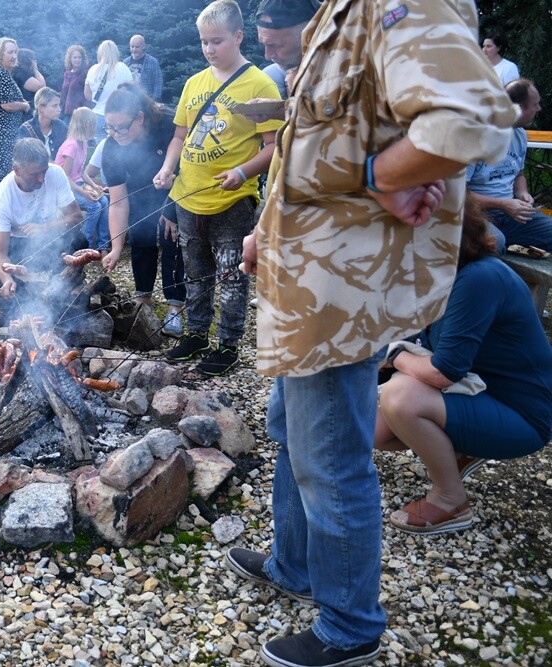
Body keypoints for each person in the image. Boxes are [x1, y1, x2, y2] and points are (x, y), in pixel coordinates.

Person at [229, 1, 517, 666]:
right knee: (288, 427)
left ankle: (349, 624)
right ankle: (295, 563)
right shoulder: (342, 7)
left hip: (339, 291)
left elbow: (464, 121)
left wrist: (377, 177)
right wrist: (262, 235)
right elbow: (318, 140)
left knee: (330, 456)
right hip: (303, 280)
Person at [375, 204, 552, 535]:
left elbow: (444, 372)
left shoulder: (478, 279)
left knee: (401, 399)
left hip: (524, 415)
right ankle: (462, 448)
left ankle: (449, 499)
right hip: (482, 393)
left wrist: (394, 355)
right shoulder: (441, 274)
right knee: (375, 430)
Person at [155, 0, 282, 376]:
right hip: (188, 196)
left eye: (217, 41)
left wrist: (242, 173)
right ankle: (196, 334)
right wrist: (166, 169)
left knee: (230, 273)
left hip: (231, 200)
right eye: (204, 42)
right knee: (195, 270)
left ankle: (227, 344)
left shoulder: (260, 83)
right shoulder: (195, 83)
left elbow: (273, 147)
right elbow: (180, 135)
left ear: (238, 36)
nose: (209, 49)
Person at [100, 83, 186, 337]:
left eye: (122, 127)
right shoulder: (111, 147)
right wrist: (116, 247)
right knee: (141, 236)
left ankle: (175, 306)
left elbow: (190, 167)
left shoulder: (167, 124)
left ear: (140, 118)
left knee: (171, 237)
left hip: (180, 184)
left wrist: (171, 209)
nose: (116, 133)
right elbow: (117, 202)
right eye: (110, 127)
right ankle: (144, 298)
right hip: (141, 191)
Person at [0, 138, 85, 301]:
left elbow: (76, 218)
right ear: (17, 170)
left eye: (44, 171)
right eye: (35, 174)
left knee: (79, 240)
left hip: (51, 239)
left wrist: (45, 228)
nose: (42, 179)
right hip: (20, 246)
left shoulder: (55, 173)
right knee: (13, 293)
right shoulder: (3, 197)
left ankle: (63, 284)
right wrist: (7, 279)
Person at [466, 78, 551, 253]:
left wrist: (522, 192)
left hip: (511, 215)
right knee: (495, 243)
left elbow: (518, 174)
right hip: (475, 215)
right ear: (519, 108)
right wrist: (503, 203)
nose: (539, 109)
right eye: (535, 105)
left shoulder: (520, 134)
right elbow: (457, 193)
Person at [55, 107, 109, 250]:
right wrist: (84, 193)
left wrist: (94, 185)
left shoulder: (82, 143)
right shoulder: (71, 146)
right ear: (85, 124)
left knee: (104, 201)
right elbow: (64, 177)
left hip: (77, 183)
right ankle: (84, 245)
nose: (95, 127)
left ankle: (103, 244)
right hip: (63, 187)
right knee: (94, 206)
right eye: (93, 124)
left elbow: (81, 171)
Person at [0, 37, 30, 189]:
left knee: (8, 176)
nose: (14, 56)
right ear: (0, 55)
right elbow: (7, 105)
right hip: (0, 133)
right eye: (10, 52)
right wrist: (24, 105)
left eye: (15, 52)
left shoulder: (3, 73)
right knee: (4, 178)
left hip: (5, 131)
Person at [255, 0, 318, 99]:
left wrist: (301, 97)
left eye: (275, 45)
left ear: (308, 36)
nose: (267, 56)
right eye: (264, 45)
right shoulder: (274, 75)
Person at [85, 40, 133, 142]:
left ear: (100, 53)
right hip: (118, 116)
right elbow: (131, 93)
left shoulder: (93, 69)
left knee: (98, 148)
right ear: (116, 52)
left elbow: (87, 95)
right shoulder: (123, 68)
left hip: (97, 115)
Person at [16, 86, 68, 163]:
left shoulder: (61, 127)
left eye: (59, 105)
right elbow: (24, 160)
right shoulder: (26, 130)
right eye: (54, 106)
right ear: (41, 108)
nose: (59, 109)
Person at [125, 34, 163, 102]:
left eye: (137, 47)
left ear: (144, 46)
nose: (134, 49)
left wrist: (155, 102)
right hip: (128, 103)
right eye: (132, 47)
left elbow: (158, 84)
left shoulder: (153, 62)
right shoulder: (125, 62)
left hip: (146, 103)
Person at [61, 44, 89, 123]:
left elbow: (87, 94)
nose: (77, 60)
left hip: (78, 113)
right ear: (70, 59)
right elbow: (64, 93)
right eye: (75, 57)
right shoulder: (67, 73)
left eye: (79, 57)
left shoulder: (85, 73)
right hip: (65, 111)